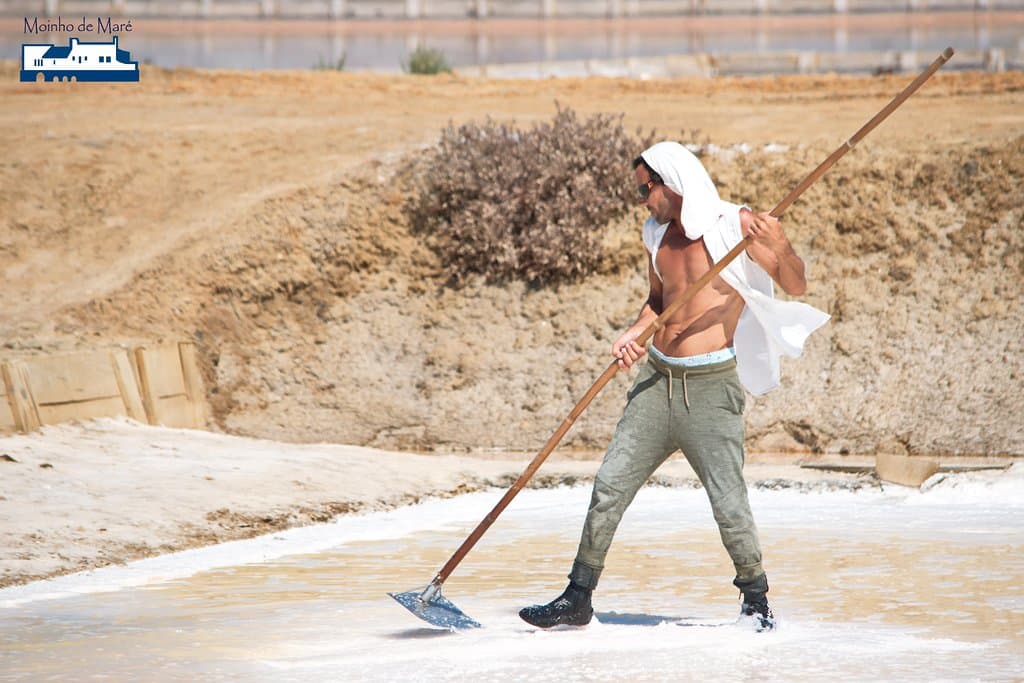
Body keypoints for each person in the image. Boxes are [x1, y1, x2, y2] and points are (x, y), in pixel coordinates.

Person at [518, 141, 830, 631]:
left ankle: (756, 599)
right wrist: (634, 334)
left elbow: (796, 284)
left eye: (645, 188)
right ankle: (578, 596)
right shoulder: (654, 232)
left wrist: (783, 243)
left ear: (671, 182)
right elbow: (656, 300)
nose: (641, 200)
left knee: (728, 500)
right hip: (657, 381)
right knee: (609, 486)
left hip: (711, 388)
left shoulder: (735, 226)